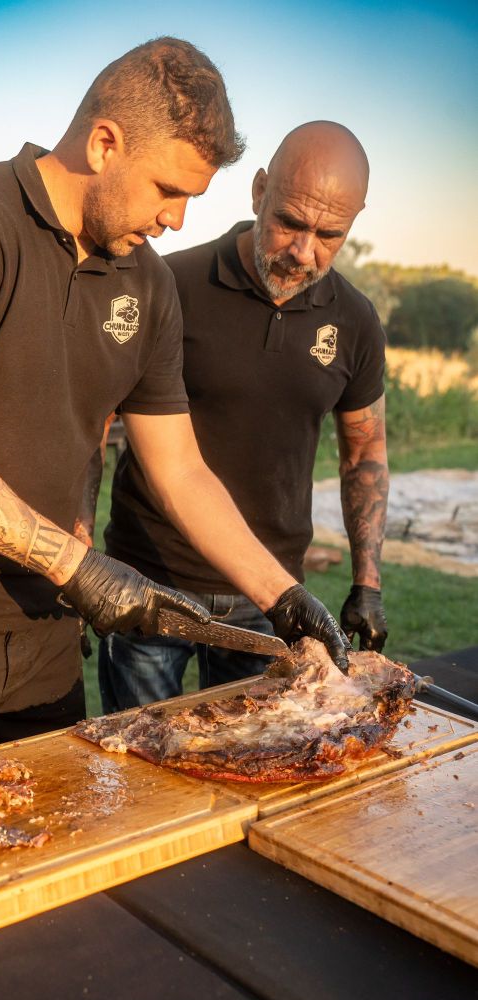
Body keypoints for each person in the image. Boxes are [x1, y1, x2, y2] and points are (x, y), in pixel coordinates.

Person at [0, 43, 349, 783]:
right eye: (166, 187)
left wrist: (281, 595)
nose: (175, 217)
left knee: (53, 858)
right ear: (104, 143)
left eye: (191, 197)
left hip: (43, 629)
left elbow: (181, 469)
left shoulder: (149, 284)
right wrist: (81, 566)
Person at [100, 120, 388, 712]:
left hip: (272, 590)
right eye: (290, 222)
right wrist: (79, 558)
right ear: (259, 192)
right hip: (152, 579)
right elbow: (94, 424)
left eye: (328, 234)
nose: (303, 250)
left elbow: (365, 454)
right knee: (139, 762)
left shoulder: (356, 321)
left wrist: (368, 583)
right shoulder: (169, 284)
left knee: (257, 757)